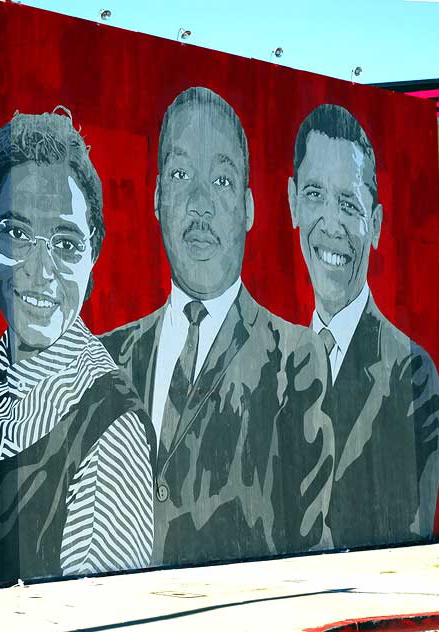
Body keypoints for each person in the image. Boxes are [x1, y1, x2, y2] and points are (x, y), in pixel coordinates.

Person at [0, 108, 156, 587]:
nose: (39, 270)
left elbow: (103, 613)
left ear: (92, 256)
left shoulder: (110, 421)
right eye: (17, 234)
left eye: (65, 244)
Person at [101, 87, 335, 566]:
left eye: (223, 181)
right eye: (182, 175)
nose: (201, 204)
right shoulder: (106, 358)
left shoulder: (294, 358)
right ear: (157, 197)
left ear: (249, 209)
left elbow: (311, 547)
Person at [288, 103, 439, 548]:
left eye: (349, 204)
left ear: (374, 225)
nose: (331, 224)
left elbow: (402, 538)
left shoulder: (409, 374)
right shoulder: (273, 365)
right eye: (315, 194)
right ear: (293, 201)